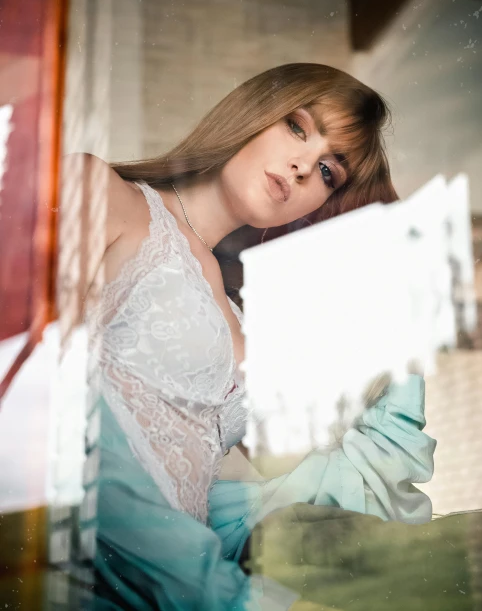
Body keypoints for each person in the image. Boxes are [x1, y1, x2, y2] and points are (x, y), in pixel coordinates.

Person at [75, 63, 436, 610]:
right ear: (254, 110)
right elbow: (38, 408)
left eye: (328, 172)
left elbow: (361, 469)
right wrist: (222, 595)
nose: (301, 166)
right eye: (298, 127)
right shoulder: (104, 195)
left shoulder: (242, 331)